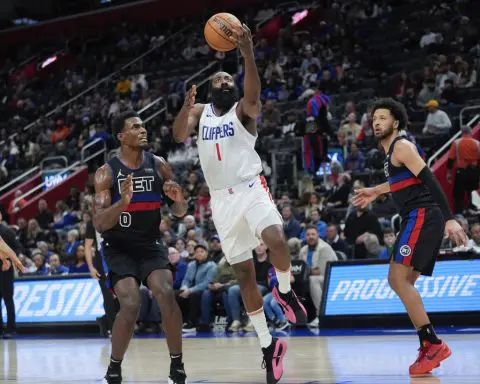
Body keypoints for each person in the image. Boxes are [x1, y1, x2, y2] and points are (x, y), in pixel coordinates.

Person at [173, 23, 306, 384]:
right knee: (245, 274)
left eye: (228, 80)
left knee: (276, 237)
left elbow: (253, 93)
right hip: (220, 201)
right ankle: (268, 346)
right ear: (209, 88)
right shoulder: (200, 113)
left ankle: (283, 291)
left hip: (250, 187)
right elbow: (178, 134)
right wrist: (186, 107)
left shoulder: (243, 113)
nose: (223, 82)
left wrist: (247, 53)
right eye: (217, 79)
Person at [353, 98, 467, 375]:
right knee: (405, 282)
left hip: (423, 215)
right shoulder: (392, 154)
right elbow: (402, 181)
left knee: (397, 279)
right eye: (374, 118)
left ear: (396, 122)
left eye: (383, 117)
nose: (377, 122)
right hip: (417, 216)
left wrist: (450, 218)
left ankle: (432, 343)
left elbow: (429, 179)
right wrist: (376, 191)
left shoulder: (401, 146)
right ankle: (428, 343)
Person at [93, 110, 188, 384]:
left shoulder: (158, 165)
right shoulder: (106, 173)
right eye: (135, 127)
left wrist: (180, 200)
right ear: (122, 136)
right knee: (131, 302)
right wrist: (122, 203)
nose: (143, 130)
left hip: (150, 243)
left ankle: (176, 365)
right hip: (119, 246)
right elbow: (99, 223)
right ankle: (114, 365)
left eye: (143, 125)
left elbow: (179, 211)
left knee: (165, 291)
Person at [85, 219, 118, 338]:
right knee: (108, 295)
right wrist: (90, 267)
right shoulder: (92, 222)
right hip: (102, 259)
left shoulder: (119, 213)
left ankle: (104, 321)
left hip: (119, 255)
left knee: (122, 294)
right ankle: (115, 329)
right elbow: (88, 246)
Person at [0, 213, 24, 338]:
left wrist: (9, 260)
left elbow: (18, 248)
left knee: (8, 299)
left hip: (5, 271)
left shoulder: (7, 231)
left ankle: (11, 328)